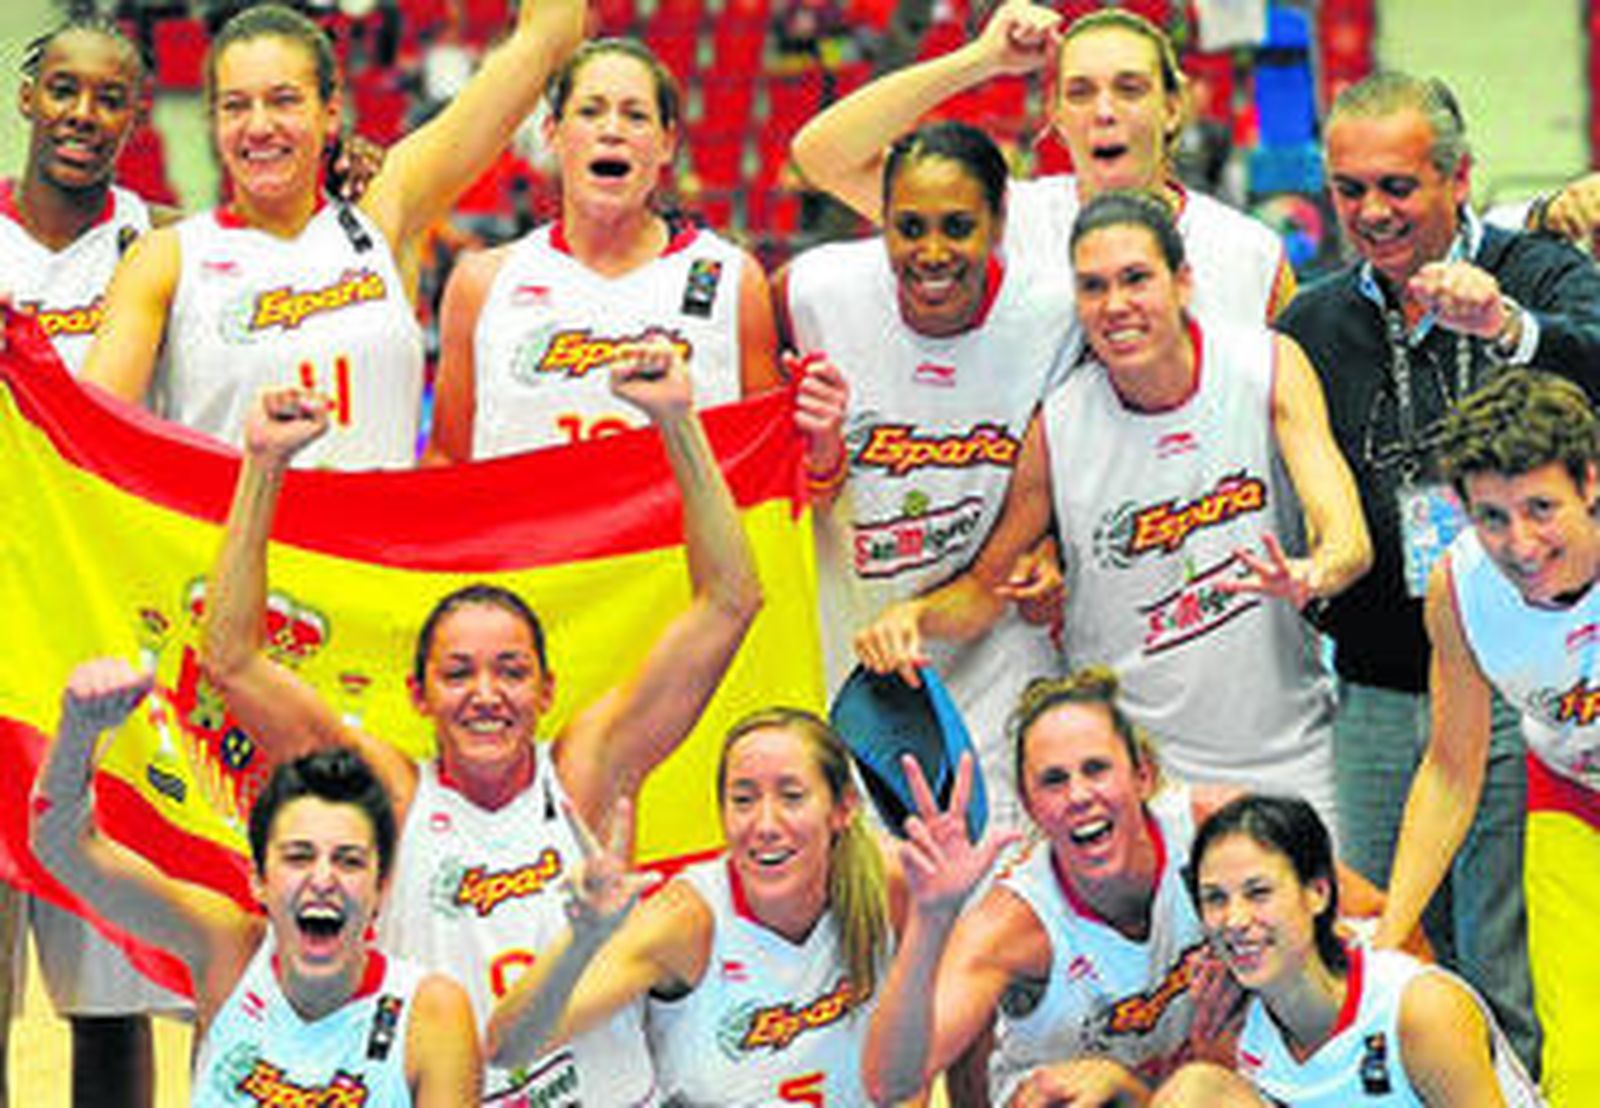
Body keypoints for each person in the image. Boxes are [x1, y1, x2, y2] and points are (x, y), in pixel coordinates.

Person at [199, 340, 762, 1103]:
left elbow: (730, 601)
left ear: (546, 690)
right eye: (458, 673)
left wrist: (676, 421)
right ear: (419, 694)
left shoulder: (588, 773)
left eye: (511, 672)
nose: (486, 694)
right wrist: (262, 466)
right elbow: (232, 659)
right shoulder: (391, 796)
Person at [856, 189, 1370, 829]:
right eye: (1093, 287)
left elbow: (1347, 536)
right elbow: (988, 589)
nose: (1116, 305)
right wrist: (915, 614)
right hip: (1139, 782)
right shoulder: (1061, 424)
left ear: (1183, 282)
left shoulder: (1265, 364)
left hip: (1290, 756)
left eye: (1135, 279)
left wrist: (1313, 574)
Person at [1276, 71, 1600, 1073]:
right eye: (1349, 188)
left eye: (1399, 185)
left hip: (1529, 692)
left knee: (1513, 965)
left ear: (1458, 177)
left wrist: (1504, 327)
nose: (1373, 211)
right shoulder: (1313, 325)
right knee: (1395, 939)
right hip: (1383, 677)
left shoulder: (1536, 273)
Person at [80, 0, 585, 469]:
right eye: (235, 106)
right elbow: (88, 446)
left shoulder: (384, 212)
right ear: (213, 121)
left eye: (284, 101)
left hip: (377, 559)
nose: (258, 126)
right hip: (237, 559)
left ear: (330, 111)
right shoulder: (165, 259)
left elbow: (547, 39)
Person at [781, 119, 1077, 827]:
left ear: (1000, 223)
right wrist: (815, 463)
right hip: (847, 649)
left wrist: (1052, 553)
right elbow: (750, 432)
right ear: (880, 223)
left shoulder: (1054, 319)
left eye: (958, 227)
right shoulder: (815, 291)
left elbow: (997, 573)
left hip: (993, 651)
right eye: (909, 228)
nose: (933, 252)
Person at [0, 20, 192, 1108]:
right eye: (62, 90)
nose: (81, 114)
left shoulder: (165, 241)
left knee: (107, 991)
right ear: (28, 98)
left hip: (103, 636)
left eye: (108, 97)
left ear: (135, 113)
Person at [30, 662, 481, 1106]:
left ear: (382, 888)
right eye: (299, 856)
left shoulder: (432, 1015)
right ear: (258, 881)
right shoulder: (227, 952)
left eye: (347, 861)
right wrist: (78, 731)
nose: (323, 879)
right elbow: (63, 849)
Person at [485, 708, 959, 1104]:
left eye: (792, 797)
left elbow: (919, 1066)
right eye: (743, 800)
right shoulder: (686, 921)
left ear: (842, 809)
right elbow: (508, 1046)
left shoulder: (896, 881)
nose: (765, 824)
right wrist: (582, 938)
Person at [862, 666, 1253, 1106]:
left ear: (1143, 775)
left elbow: (1341, 927)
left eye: (1096, 769)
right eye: (1054, 781)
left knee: (1213, 1079)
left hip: (1191, 1089)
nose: (1079, 796)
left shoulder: (1218, 833)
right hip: (1067, 1096)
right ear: (1030, 806)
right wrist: (932, 915)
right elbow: (889, 1084)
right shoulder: (1010, 922)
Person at [1375, 370, 1600, 1105]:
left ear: (1591, 482)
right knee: (1580, 1069)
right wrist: (1389, 935)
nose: (1521, 543)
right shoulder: (1458, 587)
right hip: (1571, 800)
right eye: (1492, 516)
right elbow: (1450, 770)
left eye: (1541, 508)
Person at [791, 2, 1294, 325]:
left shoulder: (1249, 251)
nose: (1103, 111)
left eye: (1130, 89)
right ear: (1054, 115)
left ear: (1172, 107)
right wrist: (981, 60)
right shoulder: (1003, 221)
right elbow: (824, 155)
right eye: (1079, 92)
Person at [427, 36, 789, 463]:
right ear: (552, 134)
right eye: (590, 111)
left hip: (677, 533)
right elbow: (446, 462)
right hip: (528, 531)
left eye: (635, 116)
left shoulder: (729, 279)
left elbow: (767, 460)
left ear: (667, 144)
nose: (612, 130)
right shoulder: (482, 283)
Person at [1160, 793, 1539, 1107]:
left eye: (1259, 893)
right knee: (1194, 1092)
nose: (1234, 920)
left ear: (1318, 893)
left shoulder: (1418, 1008)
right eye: (1215, 899)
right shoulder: (1236, 1026)